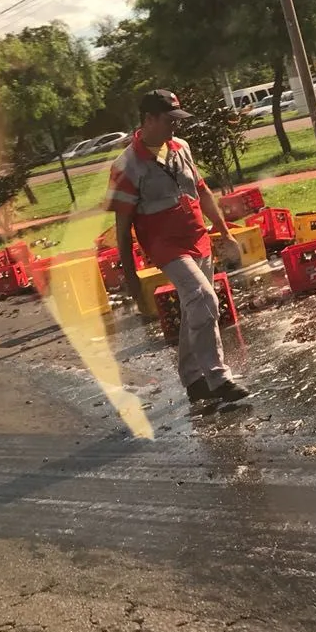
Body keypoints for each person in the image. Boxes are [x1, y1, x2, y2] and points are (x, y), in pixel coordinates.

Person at [106, 89, 251, 409]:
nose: (175, 127)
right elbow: (122, 228)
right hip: (165, 246)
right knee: (203, 298)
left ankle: (193, 380)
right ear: (148, 120)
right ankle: (218, 377)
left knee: (192, 309)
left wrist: (223, 230)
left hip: (196, 238)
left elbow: (202, 190)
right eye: (169, 120)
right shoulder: (126, 166)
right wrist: (130, 278)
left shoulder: (181, 148)